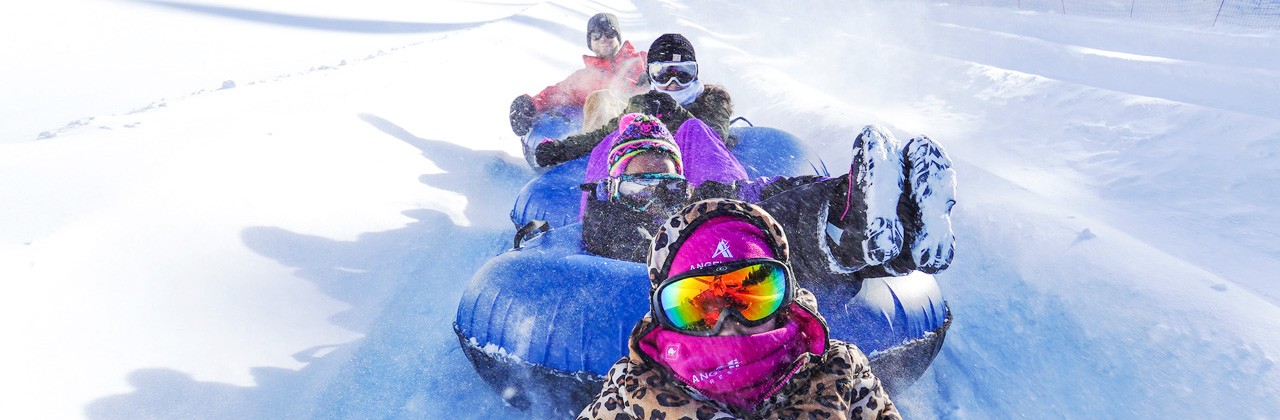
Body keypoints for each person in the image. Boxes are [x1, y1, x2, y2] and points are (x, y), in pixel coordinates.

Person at [577, 198, 902, 419]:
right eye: (699, 306)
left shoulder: (840, 372)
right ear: (666, 319)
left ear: (786, 300)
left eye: (751, 295)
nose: (729, 323)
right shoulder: (633, 393)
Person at [580, 112, 957, 279]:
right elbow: (637, 257)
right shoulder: (608, 218)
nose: (656, 195)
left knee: (769, 201)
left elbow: (758, 190)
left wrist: (825, 183)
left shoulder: (688, 197)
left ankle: (902, 225)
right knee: (756, 229)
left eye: (668, 183)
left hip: (748, 263)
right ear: (613, 187)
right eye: (638, 183)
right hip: (711, 279)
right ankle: (850, 227)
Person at [535, 33, 736, 167]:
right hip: (651, 175)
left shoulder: (713, 98)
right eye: (662, 74)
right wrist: (563, 149)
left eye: (683, 73)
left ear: (696, 73)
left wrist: (675, 113)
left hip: (695, 173)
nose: (673, 83)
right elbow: (607, 133)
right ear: (651, 76)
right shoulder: (644, 102)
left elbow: (713, 140)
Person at [509, 13, 649, 137]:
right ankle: (599, 156)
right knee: (600, 98)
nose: (603, 39)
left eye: (609, 33)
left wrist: (652, 79)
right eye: (596, 35)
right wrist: (530, 104)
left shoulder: (642, 60)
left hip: (648, 122)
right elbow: (557, 93)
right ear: (590, 42)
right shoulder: (584, 78)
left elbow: (667, 65)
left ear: (618, 37)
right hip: (613, 132)